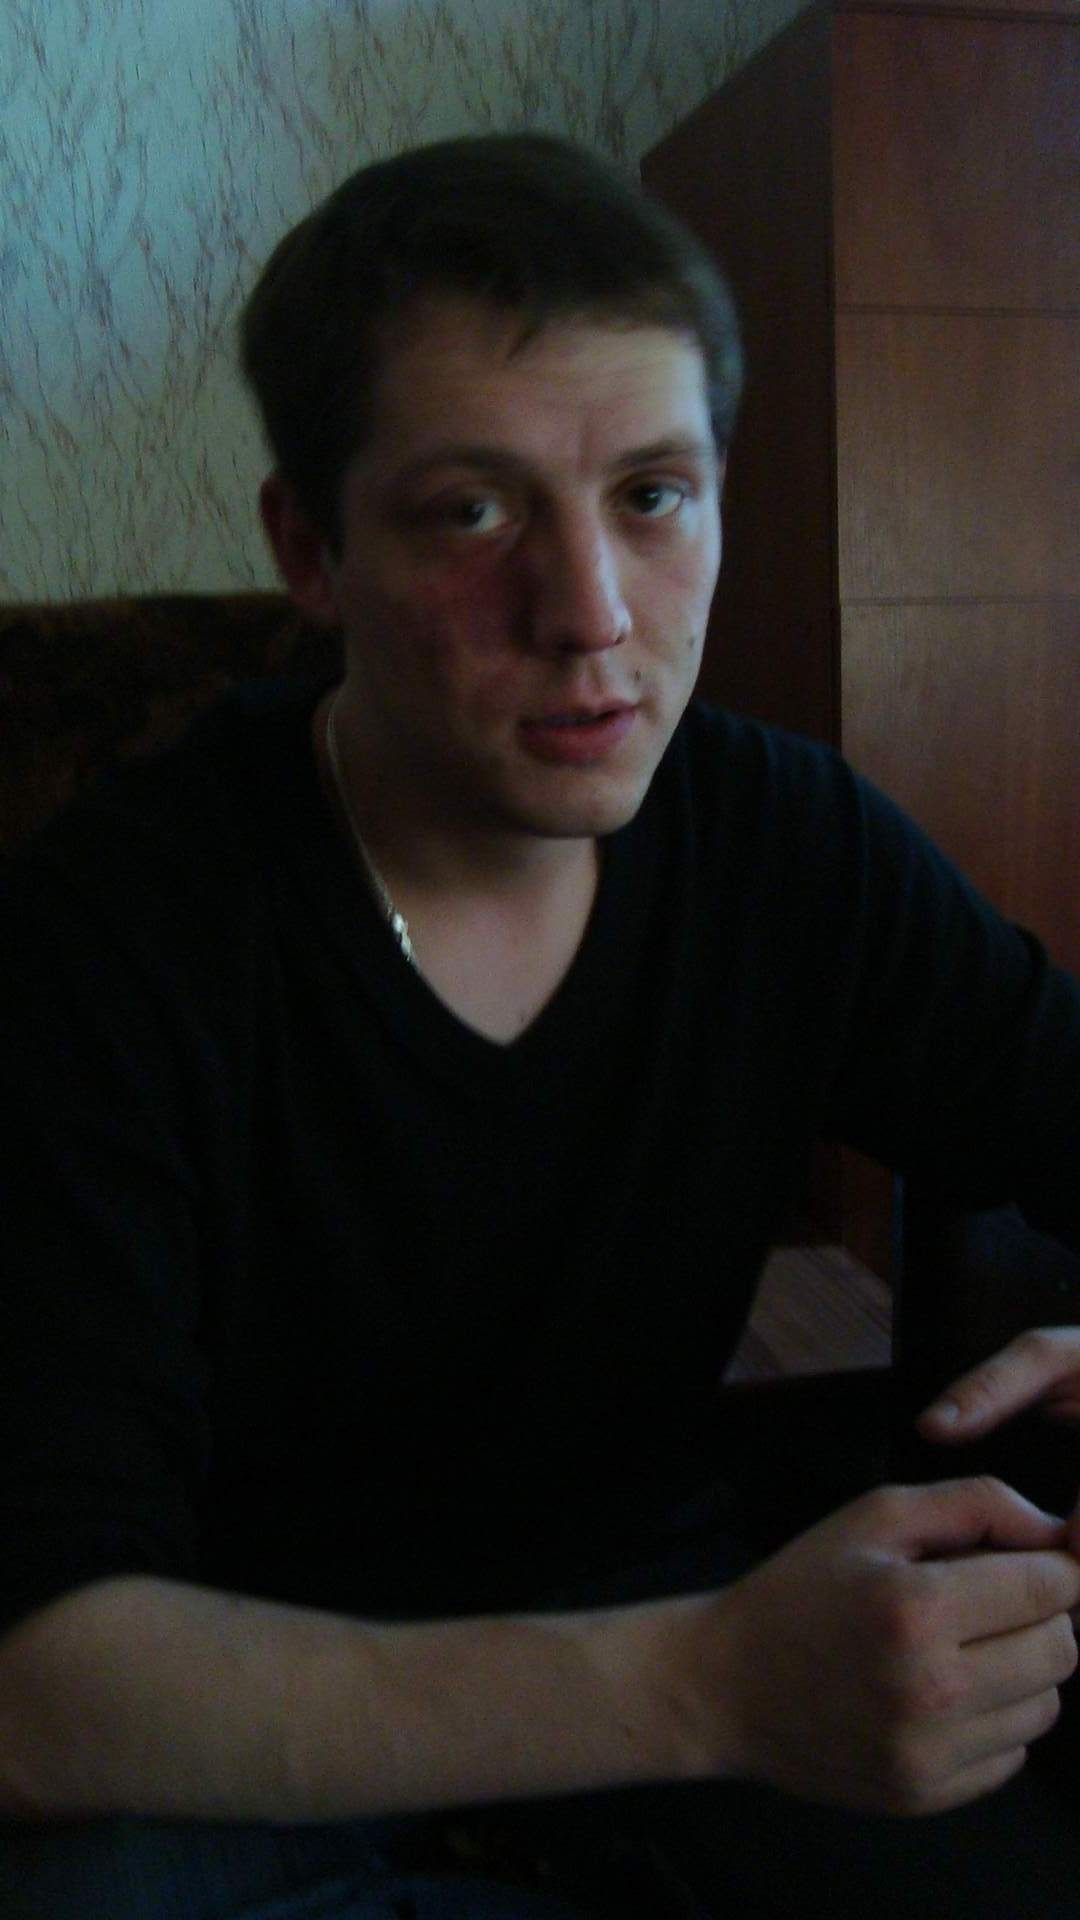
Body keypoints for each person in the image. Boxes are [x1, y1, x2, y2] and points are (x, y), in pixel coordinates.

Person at [0, 132, 1078, 1919]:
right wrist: (712, 1687)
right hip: (233, 1701)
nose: (592, 617)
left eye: (653, 495)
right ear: (310, 547)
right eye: (472, 513)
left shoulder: (787, 847)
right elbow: (38, 1688)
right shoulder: (111, 940)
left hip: (663, 1614)